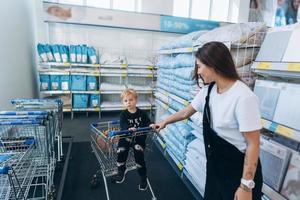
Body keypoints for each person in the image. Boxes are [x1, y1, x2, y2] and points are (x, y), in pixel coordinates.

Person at [151, 42, 263, 200]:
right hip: (216, 169)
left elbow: (253, 144)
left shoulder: (243, 97)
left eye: (199, 66)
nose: (198, 71)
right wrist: (164, 122)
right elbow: (186, 112)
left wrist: (246, 185)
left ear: (213, 65)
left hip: (238, 173)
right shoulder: (209, 91)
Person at [115, 89, 151, 191]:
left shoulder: (142, 113)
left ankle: (143, 177)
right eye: (125, 101)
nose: (128, 103)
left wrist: (151, 124)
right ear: (123, 102)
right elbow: (123, 125)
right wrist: (128, 128)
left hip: (139, 139)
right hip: (126, 137)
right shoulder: (123, 115)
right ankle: (121, 170)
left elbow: (147, 122)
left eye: (131, 100)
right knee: (121, 149)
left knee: (139, 154)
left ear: (136, 100)